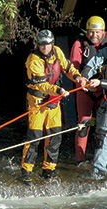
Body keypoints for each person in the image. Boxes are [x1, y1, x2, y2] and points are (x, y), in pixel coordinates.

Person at [21, 29, 87, 185]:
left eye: (48, 44)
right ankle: (26, 170)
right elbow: (41, 85)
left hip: (54, 101)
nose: (45, 48)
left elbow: (67, 67)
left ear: (52, 43)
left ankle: (48, 169)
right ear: (38, 45)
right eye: (42, 45)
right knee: (35, 137)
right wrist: (57, 90)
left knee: (55, 135)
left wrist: (78, 77)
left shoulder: (57, 52)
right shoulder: (34, 60)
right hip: (37, 102)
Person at [70, 16, 107, 165]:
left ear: (103, 32)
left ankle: (99, 161)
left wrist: (100, 84)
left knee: (102, 128)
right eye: (91, 32)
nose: (94, 35)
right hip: (85, 91)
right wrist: (82, 81)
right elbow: (73, 70)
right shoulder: (80, 44)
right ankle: (80, 160)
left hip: (103, 92)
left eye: (97, 32)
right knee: (84, 125)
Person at [81, 46, 107, 179]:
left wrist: (100, 83)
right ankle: (100, 169)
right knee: (101, 135)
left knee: (103, 134)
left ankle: (99, 169)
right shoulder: (105, 51)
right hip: (106, 101)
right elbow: (93, 63)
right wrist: (84, 78)